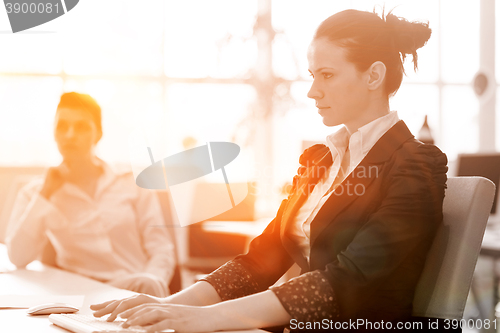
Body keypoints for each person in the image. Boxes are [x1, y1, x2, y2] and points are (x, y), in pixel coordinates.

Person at [91, 9, 448, 332]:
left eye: (326, 75)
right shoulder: (321, 159)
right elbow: (261, 260)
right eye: (312, 75)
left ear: (373, 76)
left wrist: (206, 319)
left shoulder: (416, 165)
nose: (312, 91)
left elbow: (349, 279)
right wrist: (168, 305)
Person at [5, 92, 176, 297]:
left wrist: (152, 286)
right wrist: (45, 194)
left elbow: (161, 248)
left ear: (98, 133)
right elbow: (17, 256)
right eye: (62, 126)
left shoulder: (133, 183)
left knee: (146, 286)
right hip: (80, 294)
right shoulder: (35, 193)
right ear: (54, 133)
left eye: (81, 127)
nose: (70, 135)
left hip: (135, 288)